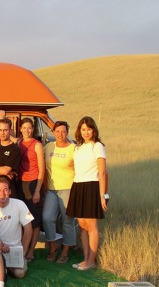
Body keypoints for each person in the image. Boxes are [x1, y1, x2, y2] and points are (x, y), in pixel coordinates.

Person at [66, 116, 107, 271]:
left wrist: (102, 195)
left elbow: (102, 172)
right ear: (79, 131)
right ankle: (85, 259)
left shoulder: (97, 146)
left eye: (89, 129)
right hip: (78, 186)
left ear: (94, 130)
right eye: (83, 129)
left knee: (91, 225)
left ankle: (91, 261)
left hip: (92, 187)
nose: (86, 132)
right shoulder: (78, 147)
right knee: (82, 226)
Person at [0, 178, 34, 278]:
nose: (2, 193)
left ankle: (9, 268)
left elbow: (28, 228)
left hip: (15, 251)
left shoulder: (20, 204)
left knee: (20, 274)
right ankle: (3, 269)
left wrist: (23, 251)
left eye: (5, 189)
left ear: (10, 191)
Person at [42, 121, 76, 264]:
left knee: (67, 221)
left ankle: (65, 252)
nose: (60, 134)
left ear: (67, 132)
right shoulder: (49, 146)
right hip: (51, 189)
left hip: (68, 188)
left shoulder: (73, 149)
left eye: (63, 131)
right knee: (47, 218)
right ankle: (53, 245)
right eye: (58, 131)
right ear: (53, 132)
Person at [18, 118, 45, 262]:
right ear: (21, 129)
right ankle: (23, 248)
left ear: (32, 129)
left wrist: (37, 191)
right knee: (24, 219)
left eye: (29, 128)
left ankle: (31, 251)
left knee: (34, 220)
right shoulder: (18, 142)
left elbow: (42, 169)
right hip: (21, 183)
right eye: (24, 128)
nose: (27, 130)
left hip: (34, 183)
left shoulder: (37, 145)